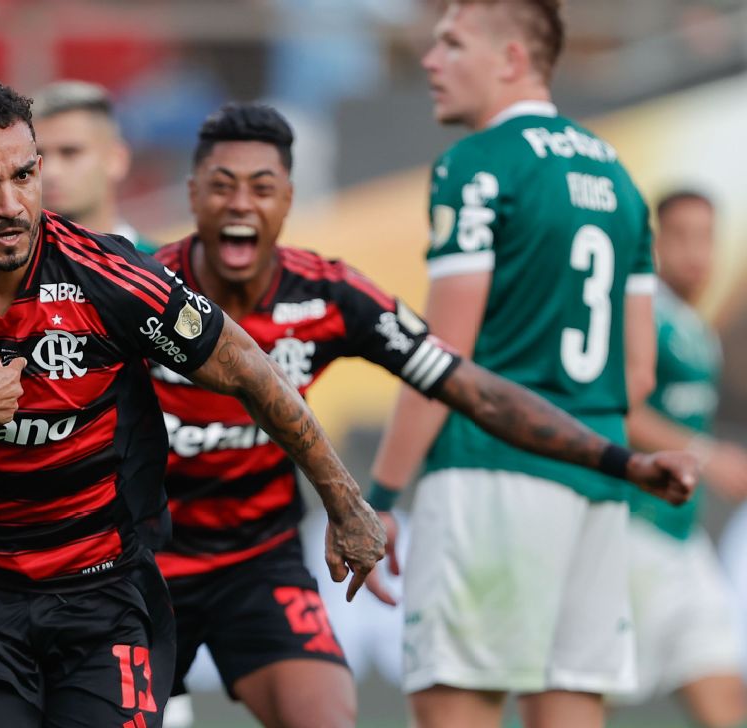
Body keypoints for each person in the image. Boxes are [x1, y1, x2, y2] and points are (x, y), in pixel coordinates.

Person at [0, 80, 385, 728]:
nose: (11, 205)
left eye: (23, 175)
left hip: (103, 597)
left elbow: (251, 370)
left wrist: (345, 502)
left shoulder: (105, 274)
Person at [153, 102, 695, 728]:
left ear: (289, 199)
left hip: (257, 562)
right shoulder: (143, 290)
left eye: (262, 187)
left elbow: (472, 389)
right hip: (140, 562)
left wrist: (623, 460)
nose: (241, 204)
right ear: (193, 194)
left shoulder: (328, 295)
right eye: (221, 186)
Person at [370, 2, 665, 726]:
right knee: (568, 702)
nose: (430, 60)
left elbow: (441, 364)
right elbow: (638, 376)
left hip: (488, 480)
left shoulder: (476, 166)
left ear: (511, 59)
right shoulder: (619, 177)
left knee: (457, 704)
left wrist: (375, 499)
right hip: (596, 483)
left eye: (451, 42)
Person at [615, 190, 747, 727]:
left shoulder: (695, 328)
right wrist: (706, 456)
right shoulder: (643, 312)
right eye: (682, 236)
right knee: (583, 698)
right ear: (656, 244)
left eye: (707, 238)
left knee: (722, 688)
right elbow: (619, 410)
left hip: (681, 540)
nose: (696, 252)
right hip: (629, 531)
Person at [34, 79, 159, 253]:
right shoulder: (7, 273)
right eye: (37, 156)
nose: (49, 171)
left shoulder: (164, 271)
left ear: (116, 160)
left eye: (70, 152)